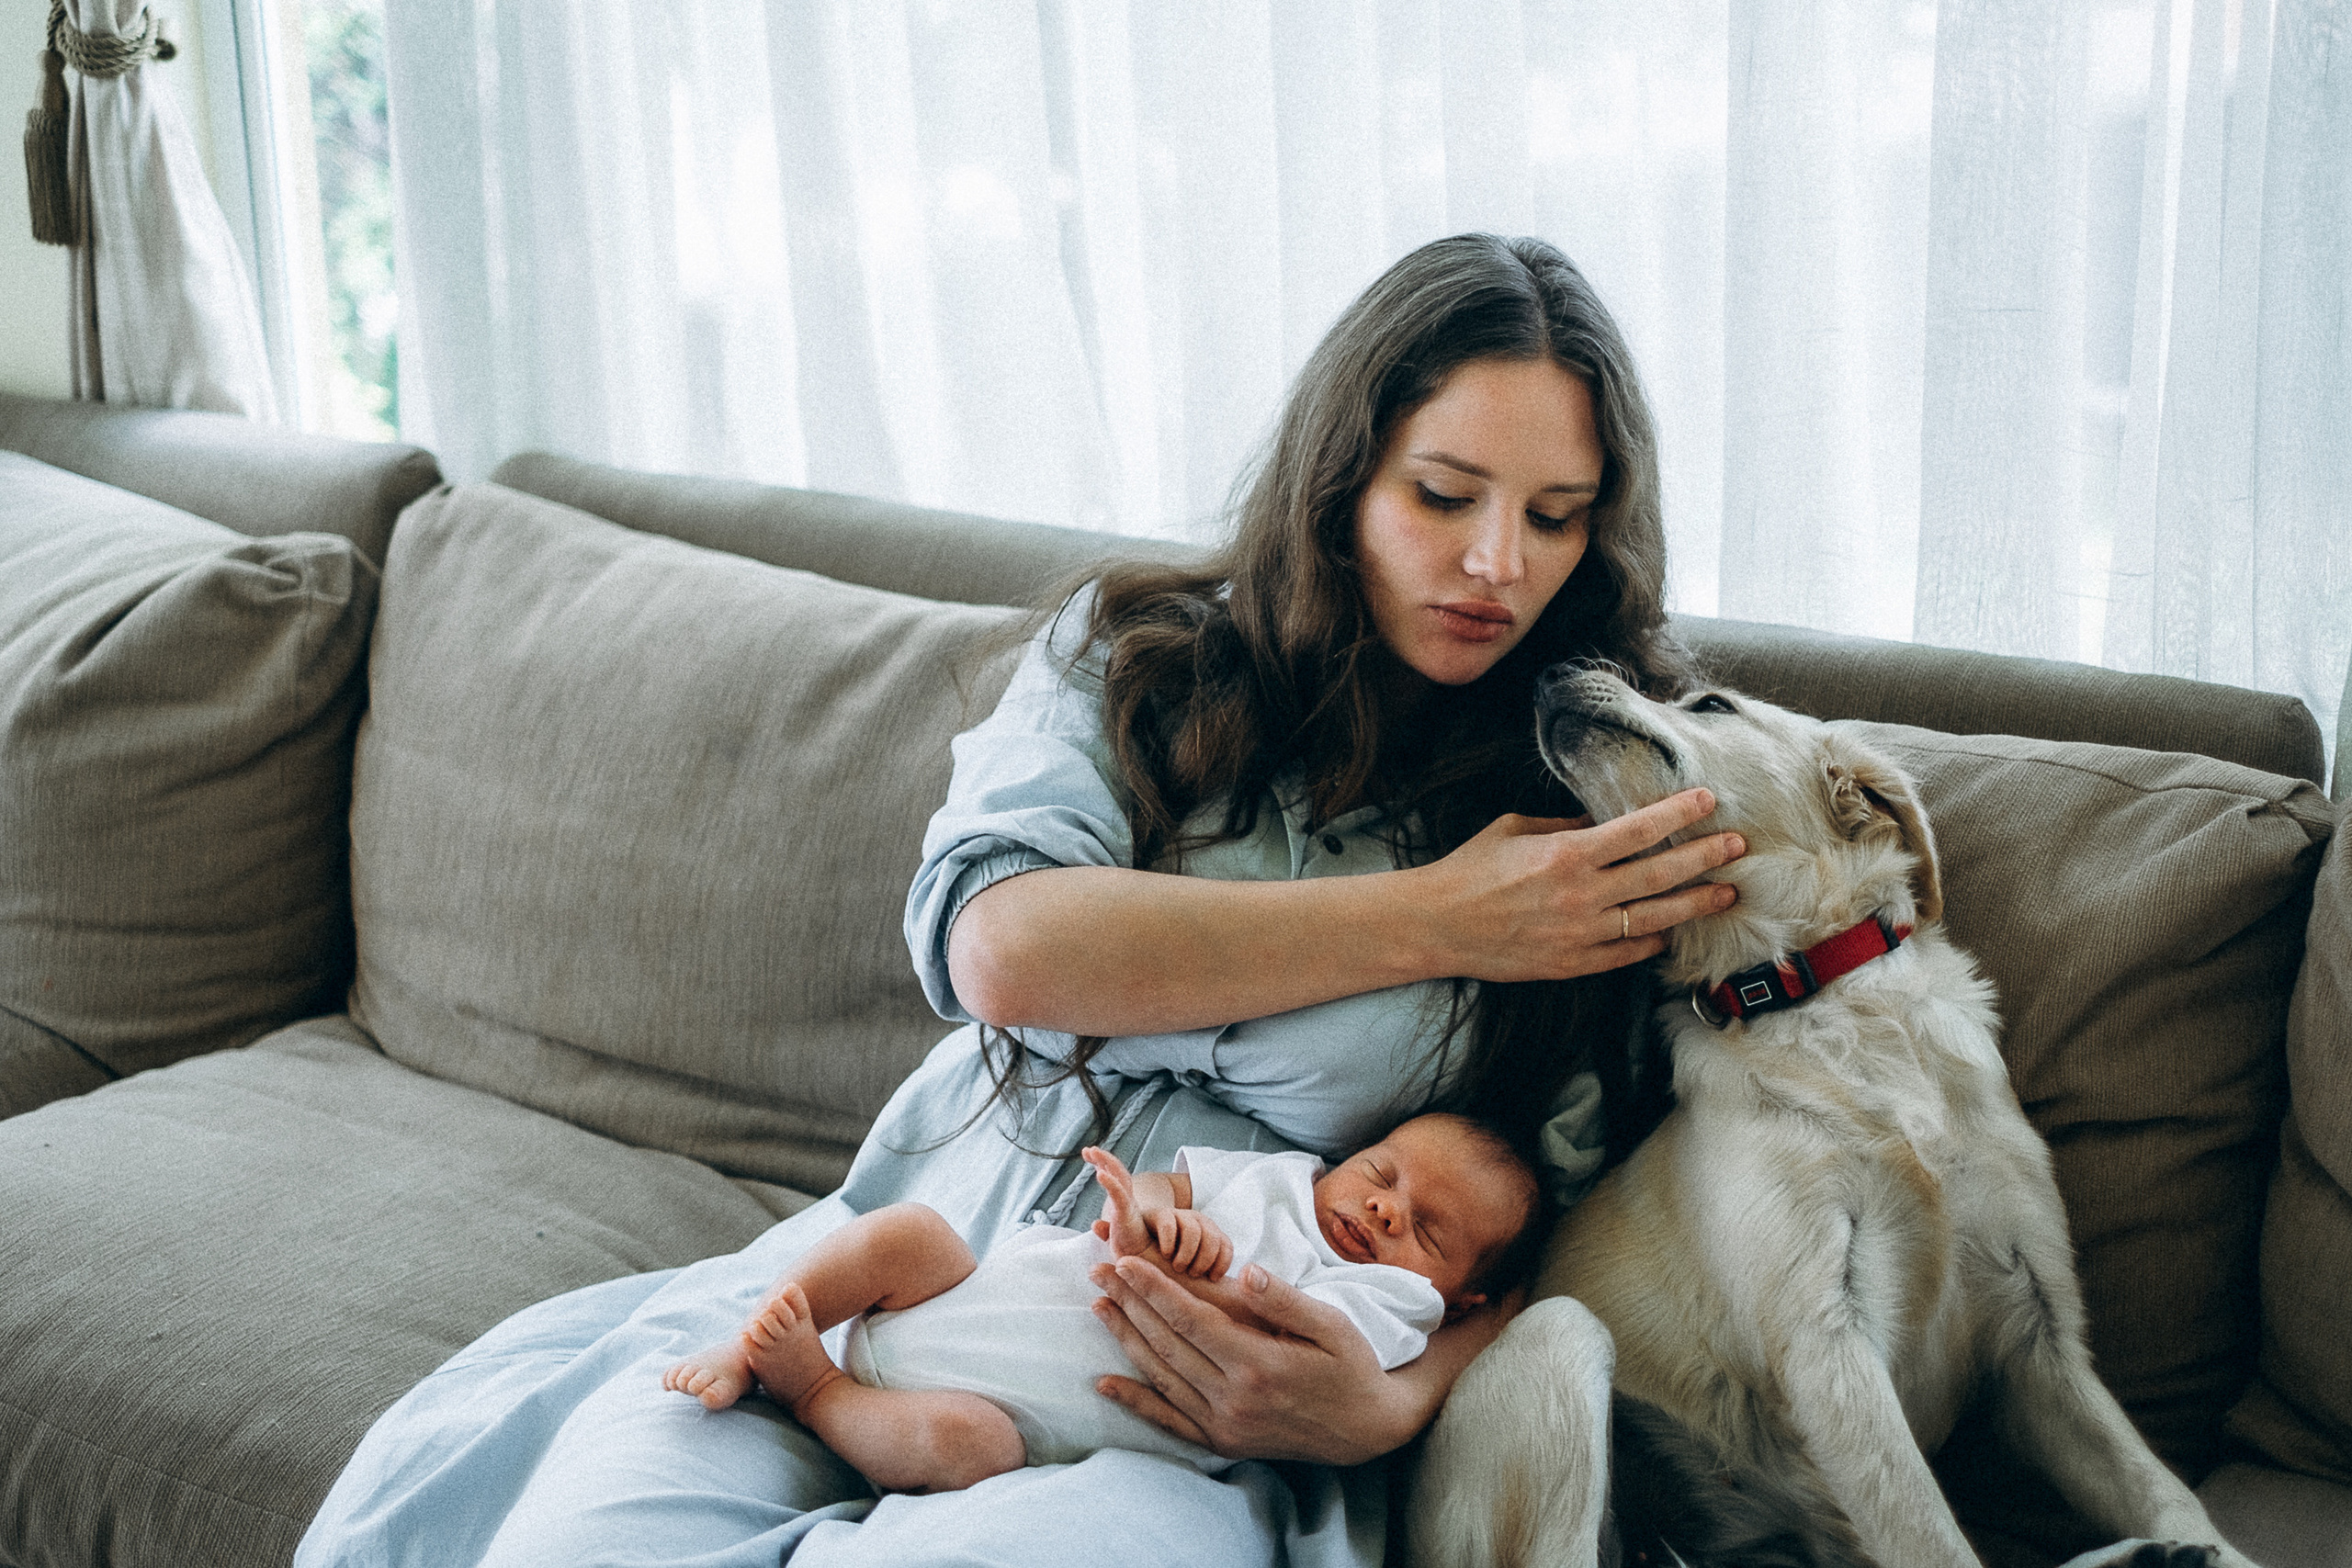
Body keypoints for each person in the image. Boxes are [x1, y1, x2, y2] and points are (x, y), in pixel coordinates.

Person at [294, 231, 1746, 1568]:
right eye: (1444, 494)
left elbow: (1574, 1233)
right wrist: (1442, 918)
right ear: (1341, 479)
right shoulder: (1139, 660)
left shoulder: (1598, 800)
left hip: (1187, 1405)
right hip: (896, 1274)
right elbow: (1004, 944)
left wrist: (1387, 1403)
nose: (1499, 562)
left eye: (1556, 515)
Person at [659, 1113, 1544, 1495]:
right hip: (961, 1293)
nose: (1386, 1207)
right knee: (913, 1232)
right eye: (1382, 1173)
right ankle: (748, 1343)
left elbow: (1290, 1352)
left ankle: (816, 1390)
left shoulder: (1396, 1302)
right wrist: (1151, 1214)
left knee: (974, 1447)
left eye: (1427, 1227)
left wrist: (1182, 1277)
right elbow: (1163, 1182)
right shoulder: (1280, 1180)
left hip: (997, 1412)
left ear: (1458, 1294)